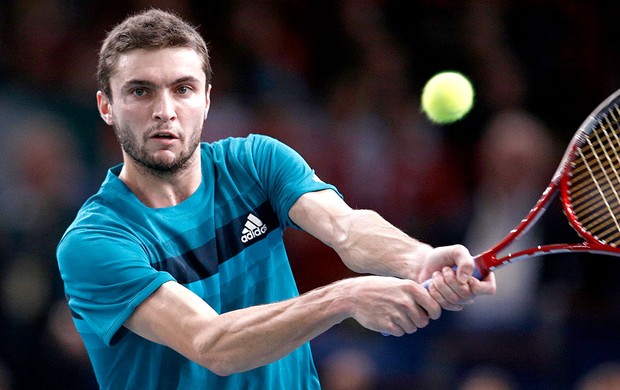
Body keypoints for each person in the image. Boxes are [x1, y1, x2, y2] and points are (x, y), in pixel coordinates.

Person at [56, 8, 496, 389]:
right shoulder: (95, 242)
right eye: (140, 91)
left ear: (207, 99)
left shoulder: (256, 162)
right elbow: (212, 343)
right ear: (105, 106)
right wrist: (344, 299)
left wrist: (418, 259)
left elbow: (346, 228)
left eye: (183, 88)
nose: (165, 110)